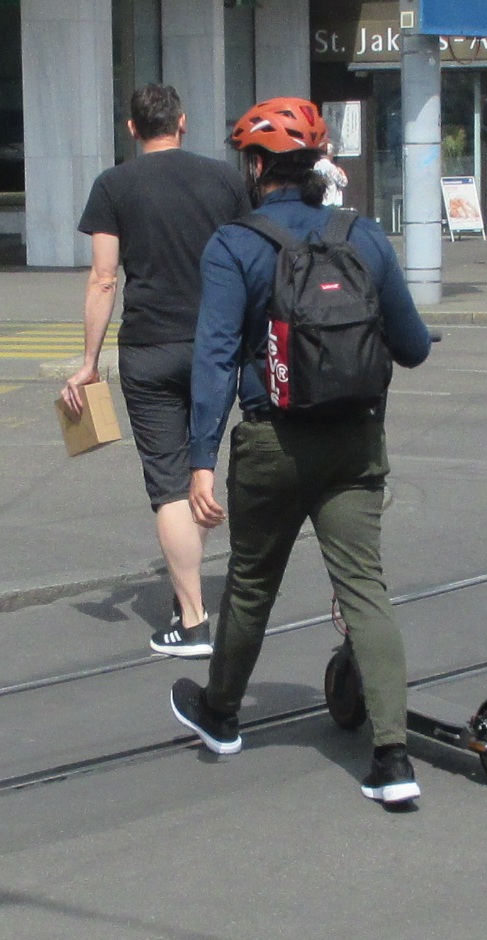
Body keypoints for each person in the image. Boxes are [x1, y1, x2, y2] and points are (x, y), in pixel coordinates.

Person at [169, 96, 432, 805]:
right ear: (316, 165)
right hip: (354, 443)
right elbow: (411, 346)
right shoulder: (363, 235)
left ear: (257, 168)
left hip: (272, 444)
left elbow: (214, 359)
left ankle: (221, 714)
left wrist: (200, 460)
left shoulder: (234, 245)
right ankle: (393, 760)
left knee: (252, 583)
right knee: (364, 589)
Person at [60, 84, 250, 657]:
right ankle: (189, 593)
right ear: (182, 122)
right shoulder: (225, 180)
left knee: (169, 482)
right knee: (201, 467)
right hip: (216, 346)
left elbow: (104, 279)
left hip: (149, 349)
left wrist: (89, 363)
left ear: (132, 128)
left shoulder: (113, 185)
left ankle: (191, 619)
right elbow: (252, 258)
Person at [314, 141, 348, 206]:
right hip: (331, 201)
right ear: (330, 154)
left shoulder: (316, 166)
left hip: (320, 201)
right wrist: (342, 172)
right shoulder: (331, 167)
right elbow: (343, 182)